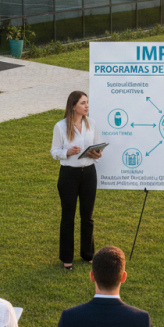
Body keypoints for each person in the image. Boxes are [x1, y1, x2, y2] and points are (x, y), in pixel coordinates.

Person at [50, 91, 103, 271]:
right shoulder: (60, 126)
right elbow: (54, 151)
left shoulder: (92, 124)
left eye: (87, 102)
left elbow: (98, 146)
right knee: (68, 217)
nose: (87, 106)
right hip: (69, 175)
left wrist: (97, 154)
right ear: (73, 106)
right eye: (83, 103)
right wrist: (67, 152)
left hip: (89, 173)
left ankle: (88, 254)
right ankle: (67, 258)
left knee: (88, 216)